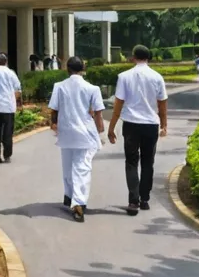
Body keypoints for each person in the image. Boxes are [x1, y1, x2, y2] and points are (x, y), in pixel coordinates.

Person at [107, 44, 168, 215]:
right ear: (148, 57)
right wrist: (164, 124)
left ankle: (133, 201)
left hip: (131, 124)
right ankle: (145, 199)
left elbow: (118, 104)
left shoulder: (124, 76)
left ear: (133, 57)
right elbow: (162, 103)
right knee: (148, 162)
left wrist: (111, 127)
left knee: (131, 162)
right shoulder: (157, 77)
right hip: (150, 124)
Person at [48, 56, 105, 222]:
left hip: (66, 132)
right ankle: (78, 202)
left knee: (67, 164)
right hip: (84, 133)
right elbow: (98, 113)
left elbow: (54, 110)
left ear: (67, 69)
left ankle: (69, 195)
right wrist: (100, 130)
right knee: (82, 167)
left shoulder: (59, 87)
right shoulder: (92, 88)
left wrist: (53, 124)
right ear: (83, 69)